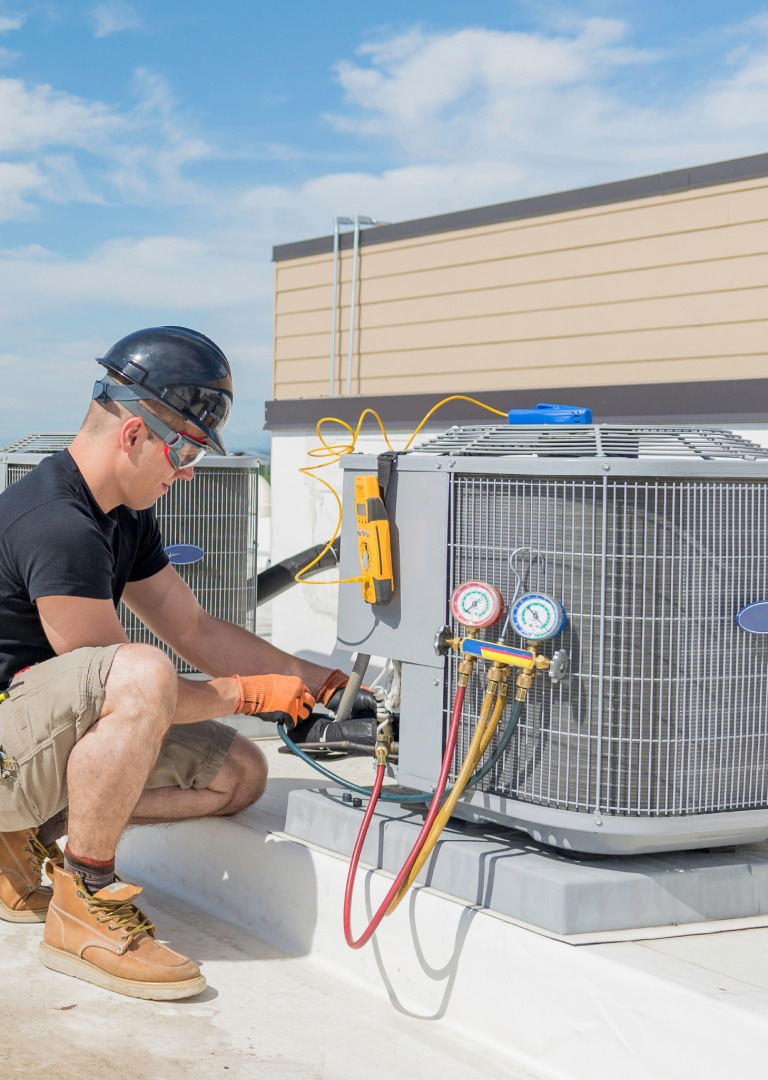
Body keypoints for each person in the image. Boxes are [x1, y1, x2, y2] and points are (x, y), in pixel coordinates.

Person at [0, 325, 372, 1001]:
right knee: (140, 671)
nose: (189, 472)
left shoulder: (121, 512)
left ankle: (16, 837)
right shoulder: (58, 524)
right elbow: (121, 685)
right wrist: (247, 694)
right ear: (133, 434)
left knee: (239, 774)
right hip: (7, 749)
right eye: (186, 451)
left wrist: (318, 683)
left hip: (30, 740)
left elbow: (193, 627)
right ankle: (84, 898)